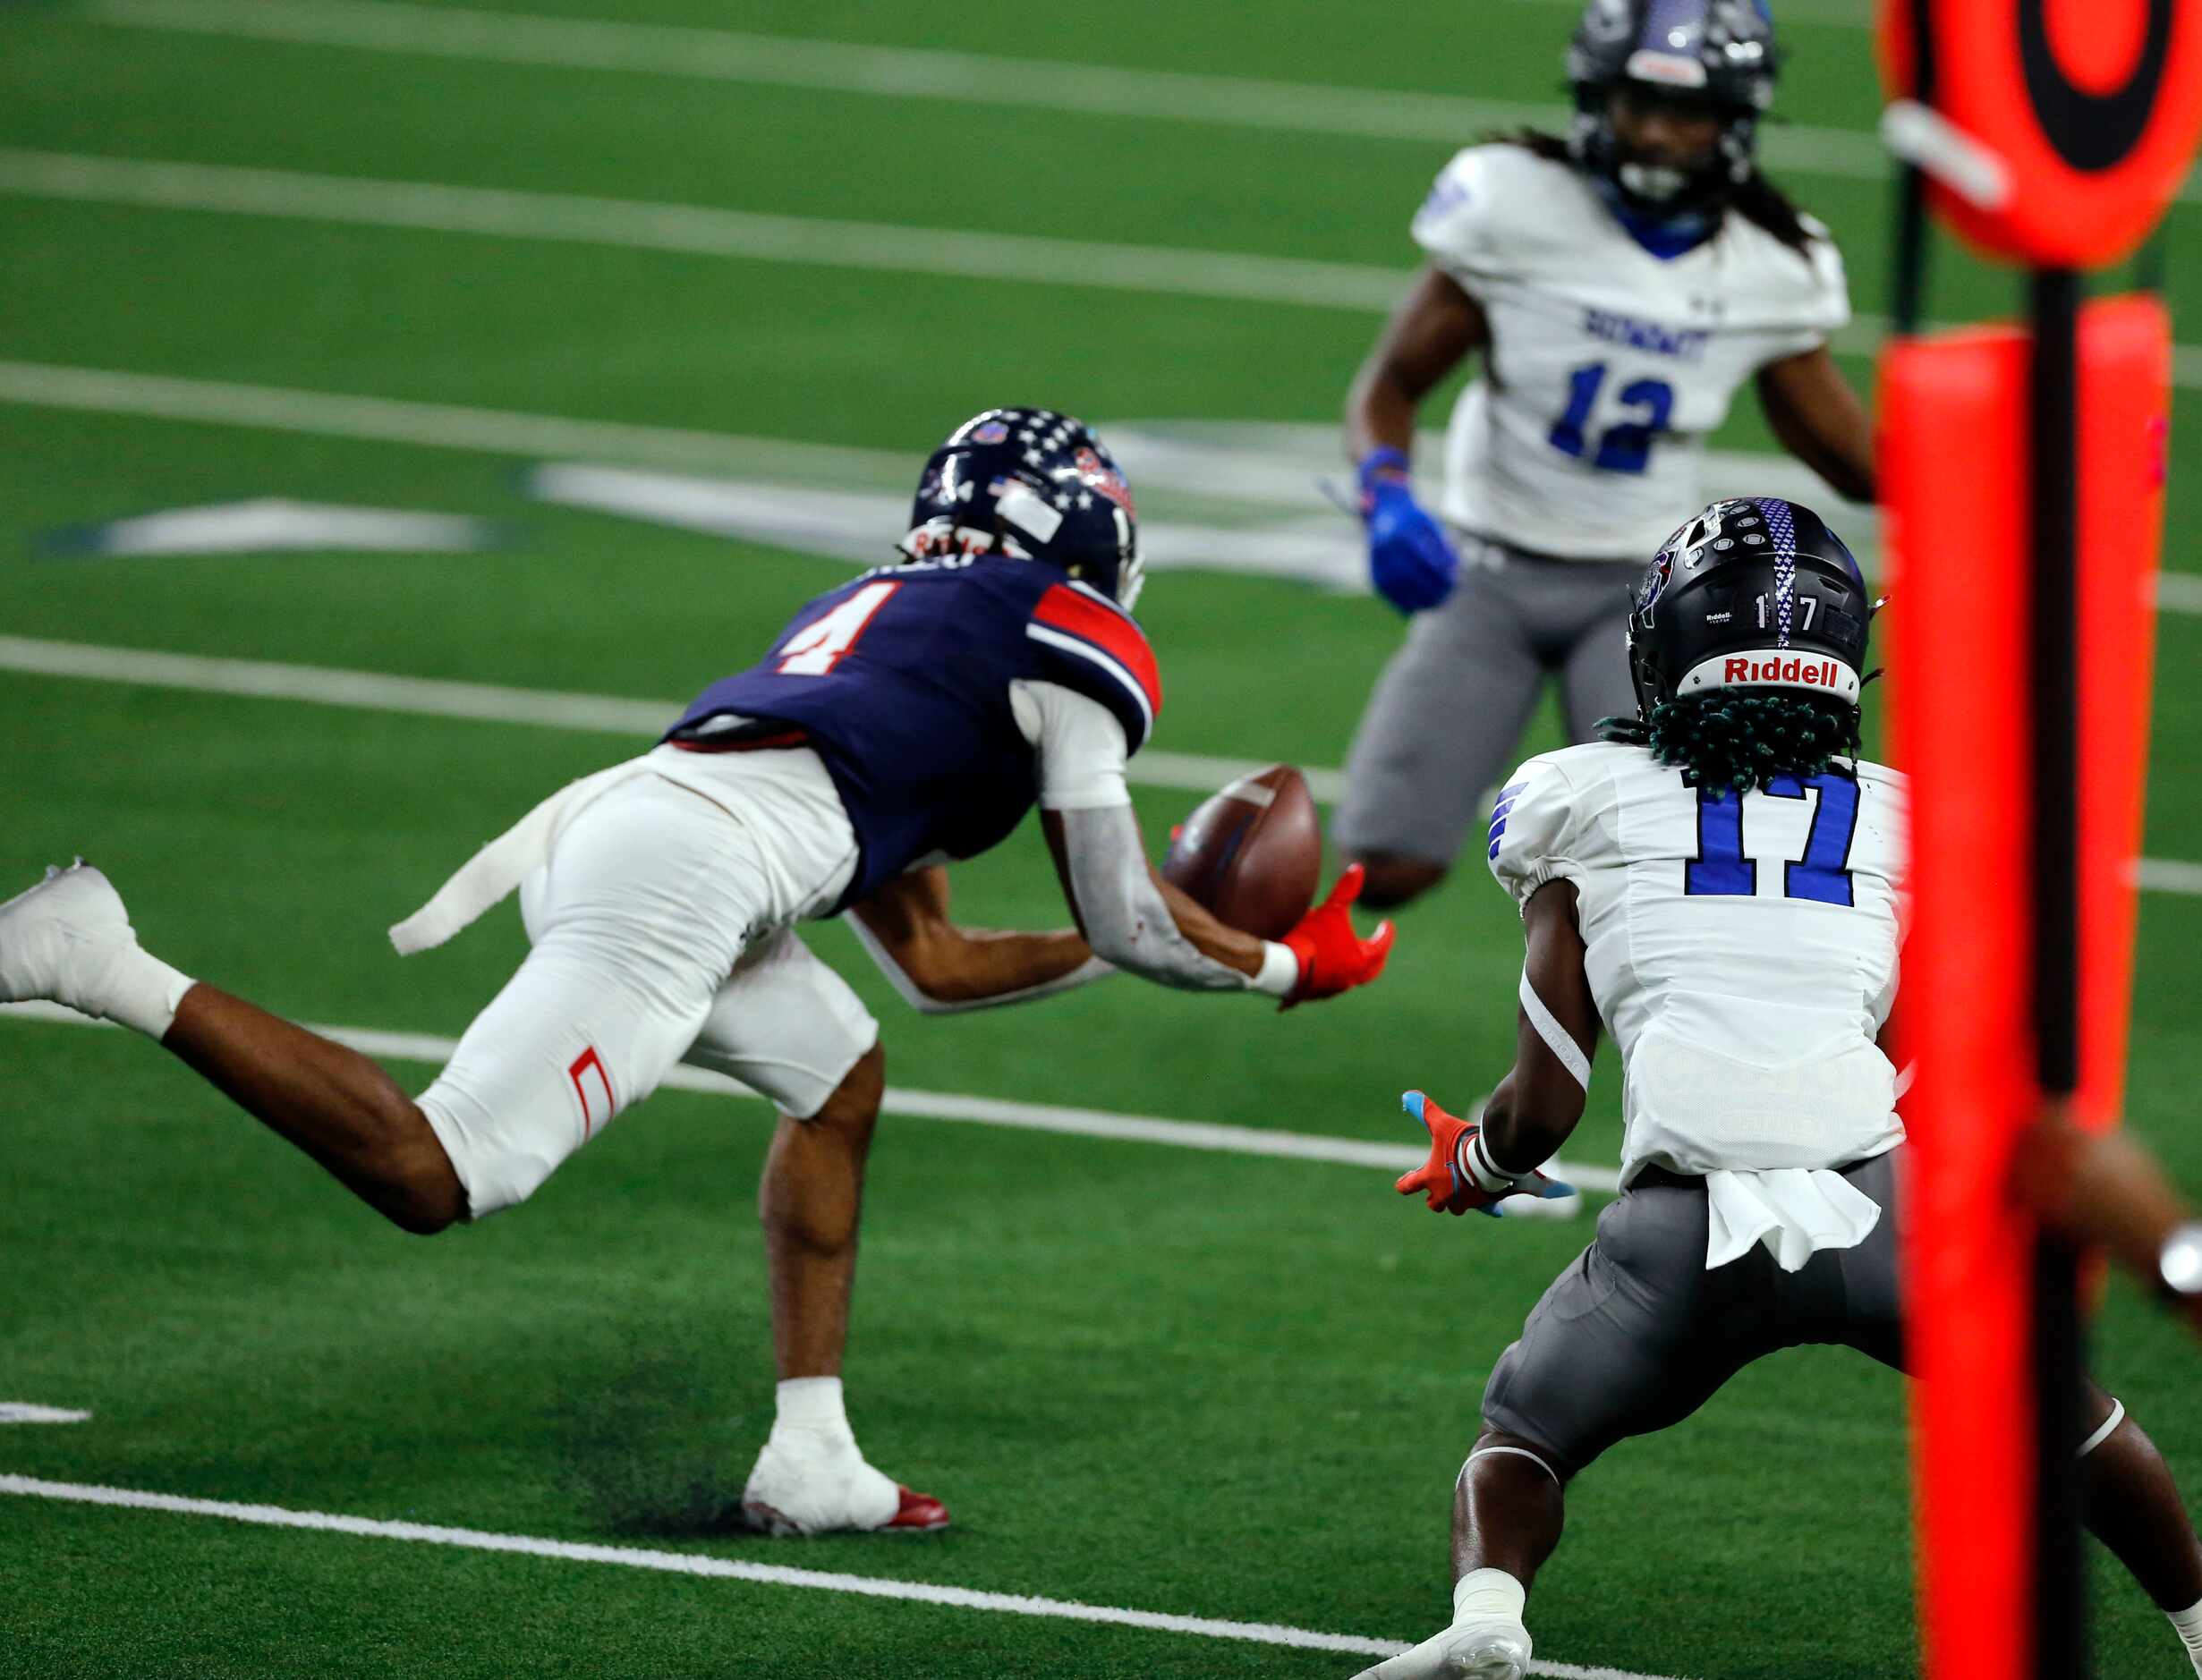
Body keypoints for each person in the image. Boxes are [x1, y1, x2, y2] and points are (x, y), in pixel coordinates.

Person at [0, 408, 1394, 1539]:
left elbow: (939, 965)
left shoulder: (888, 615)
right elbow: (1132, 917)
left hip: (649, 823)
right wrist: (1280, 961)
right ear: (1088, 541)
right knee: (439, 1172)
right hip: (689, 876)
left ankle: (811, 1453)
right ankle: (100, 956)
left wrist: (1178, 941)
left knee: (838, 1073)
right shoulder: (1069, 637)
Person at [1356, 498, 2202, 1679]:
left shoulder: (1578, 794)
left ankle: (1488, 1617)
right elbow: (1922, 1059)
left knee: (1523, 1441)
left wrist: (1473, 1164)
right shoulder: (1900, 816)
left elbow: (1544, 1104)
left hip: (1680, 1235)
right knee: (2075, 1418)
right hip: (1881, 1205)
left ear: (1662, 650)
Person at [1337, 0, 1877, 912]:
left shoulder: (1771, 264)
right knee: (1386, 859)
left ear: (1736, 121)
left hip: (1644, 597)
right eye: (1637, 105)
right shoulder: (1512, 202)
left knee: (1651, 874)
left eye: (1687, 113)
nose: (1659, 135)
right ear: (1596, 99)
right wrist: (1384, 494)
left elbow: (1864, 463)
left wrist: (2053, 459)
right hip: (1485, 569)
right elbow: (1387, 385)